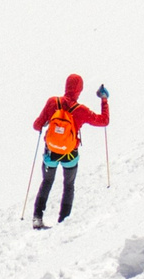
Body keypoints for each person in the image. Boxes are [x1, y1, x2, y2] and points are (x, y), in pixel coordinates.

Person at [30, 75, 109, 228]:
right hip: (70, 154)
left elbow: (36, 125)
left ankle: (37, 217)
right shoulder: (81, 110)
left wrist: (47, 121)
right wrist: (104, 99)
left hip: (51, 152)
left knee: (47, 181)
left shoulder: (53, 102)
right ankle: (63, 220)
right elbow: (103, 121)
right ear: (79, 90)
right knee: (69, 184)